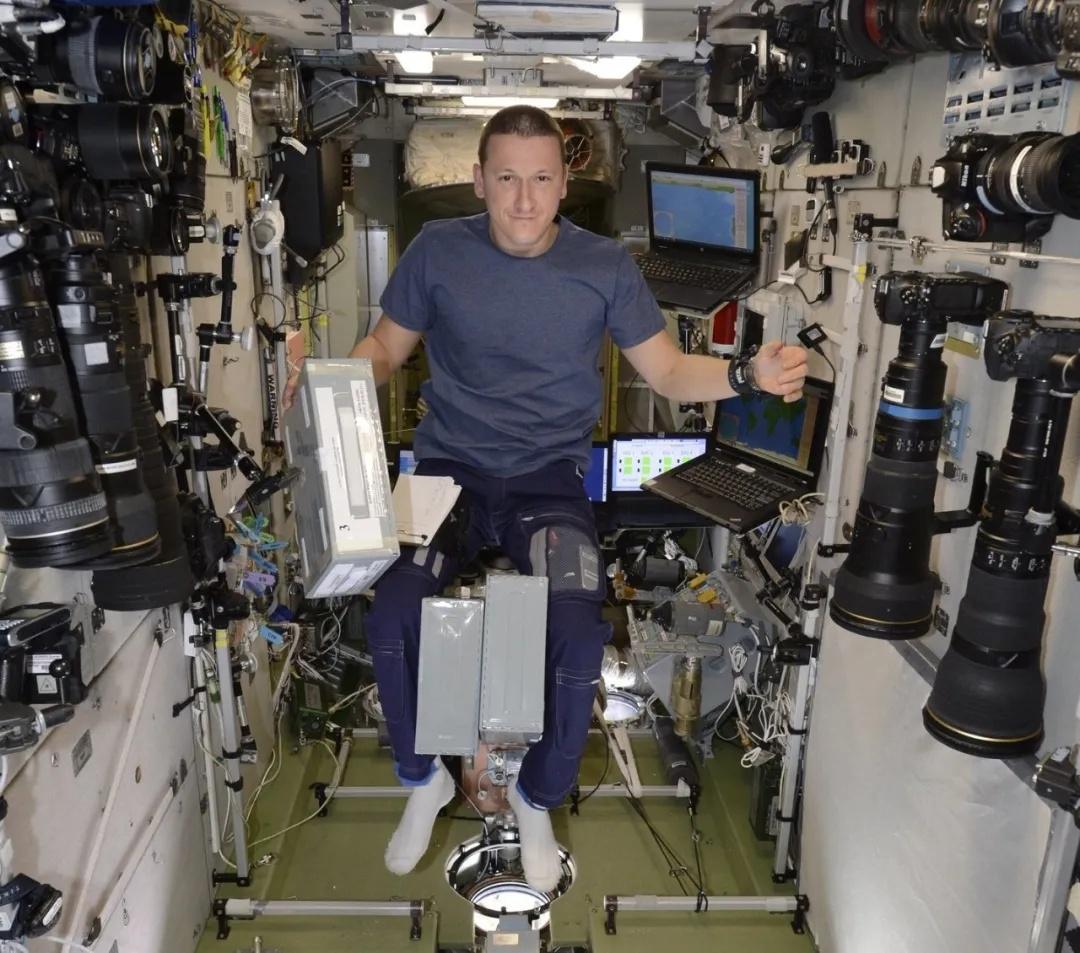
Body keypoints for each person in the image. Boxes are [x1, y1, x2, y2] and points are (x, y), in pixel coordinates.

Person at [283, 106, 808, 891]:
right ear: (478, 180)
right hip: (448, 472)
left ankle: (536, 797)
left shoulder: (605, 266)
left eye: (539, 179)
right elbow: (386, 346)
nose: (523, 199)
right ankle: (423, 778)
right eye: (506, 178)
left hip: (545, 480)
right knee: (392, 608)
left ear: (564, 183)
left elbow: (668, 372)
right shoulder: (438, 250)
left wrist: (745, 375)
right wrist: (329, 381)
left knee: (577, 627)